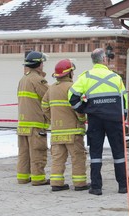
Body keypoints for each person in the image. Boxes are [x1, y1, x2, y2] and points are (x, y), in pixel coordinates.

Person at [68, 48, 129, 195]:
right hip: (114, 120)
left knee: (95, 154)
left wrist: (84, 109)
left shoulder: (85, 77)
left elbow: (72, 97)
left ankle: (96, 187)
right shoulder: (115, 77)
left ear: (93, 61)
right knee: (119, 153)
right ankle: (124, 186)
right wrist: (122, 118)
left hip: (95, 120)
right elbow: (123, 100)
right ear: (104, 59)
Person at [42, 59, 90, 192]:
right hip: (73, 131)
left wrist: (53, 118)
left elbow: (44, 106)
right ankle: (80, 184)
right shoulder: (72, 88)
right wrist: (81, 119)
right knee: (78, 157)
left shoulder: (51, 89)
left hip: (57, 131)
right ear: (69, 73)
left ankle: (56, 183)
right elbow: (78, 109)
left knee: (58, 158)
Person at [17, 51, 50, 186]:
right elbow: (49, 96)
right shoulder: (38, 79)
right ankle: (38, 179)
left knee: (24, 153)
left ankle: (23, 177)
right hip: (35, 124)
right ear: (39, 64)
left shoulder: (23, 79)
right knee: (38, 152)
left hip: (23, 124)